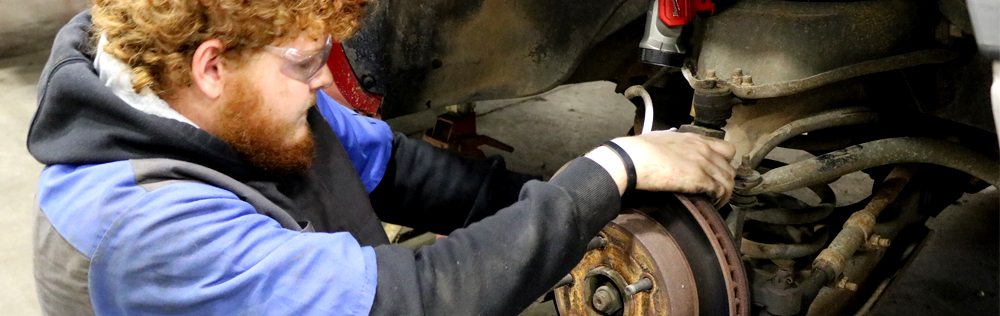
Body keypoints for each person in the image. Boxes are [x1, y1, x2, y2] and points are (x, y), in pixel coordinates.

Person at [26, 0, 736, 315]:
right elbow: (415, 301)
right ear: (212, 66)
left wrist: (565, 206)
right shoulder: (146, 228)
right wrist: (607, 173)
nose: (327, 86)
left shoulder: (228, 94)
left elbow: (400, 170)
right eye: (307, 65)